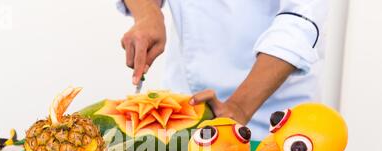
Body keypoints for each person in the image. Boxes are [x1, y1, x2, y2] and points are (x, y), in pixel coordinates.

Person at [117, 0, 328, 139]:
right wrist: (148, 14)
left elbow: (299, 22)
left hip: (270, 118)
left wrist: (240, 107)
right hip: (183, 106)